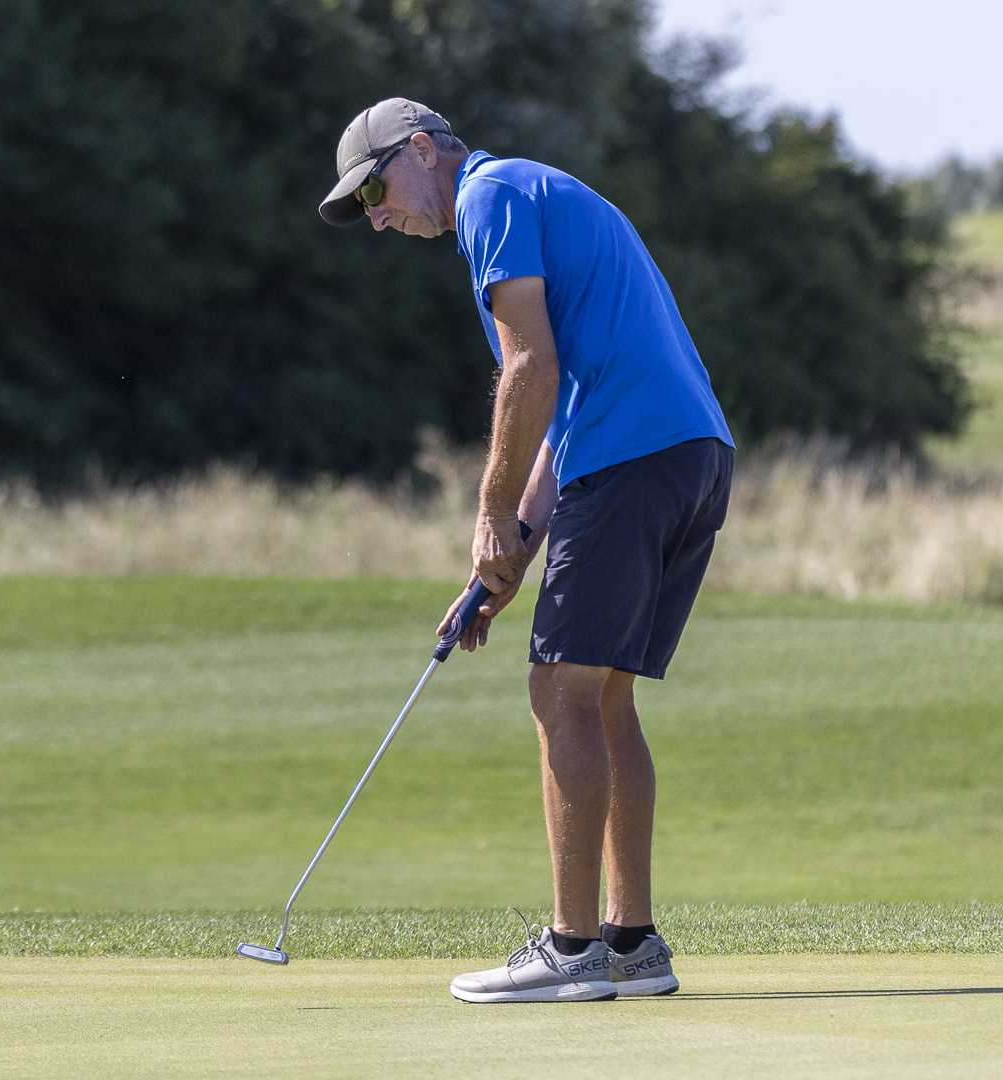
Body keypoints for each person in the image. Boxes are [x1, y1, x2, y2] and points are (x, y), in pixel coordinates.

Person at [319, 98, 734, 1003]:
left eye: (376, 192)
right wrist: (505, 555)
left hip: (634, 456)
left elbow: (528, 370)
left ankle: (572, 951)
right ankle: (632, 944)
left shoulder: (490, 194)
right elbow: (560, 414)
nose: (379, 218)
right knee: (604, 698)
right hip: (689, 455)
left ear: (421, 150)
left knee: (559, 693)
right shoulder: (531, 192)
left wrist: (487, 513)